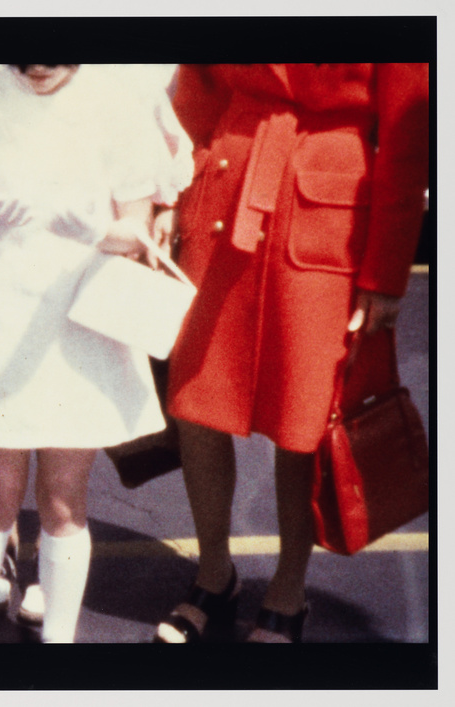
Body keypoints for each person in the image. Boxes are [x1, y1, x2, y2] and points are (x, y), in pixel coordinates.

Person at [155, 63, 429, 643]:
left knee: (301, 420)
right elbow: (199, 85)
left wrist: (386, 272)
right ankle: (213, 575)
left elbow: (408, 135)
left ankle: (288, 590)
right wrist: (162, 193)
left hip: (328, 209)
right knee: (194, 399)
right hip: (226, 184)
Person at [0, 64, 178, 643]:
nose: (37, 67)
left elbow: (139, 226)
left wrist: (101, 233)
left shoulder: (116, 97)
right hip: (0, 311)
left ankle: (60, 639)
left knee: (63, 499)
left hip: (80, 315)